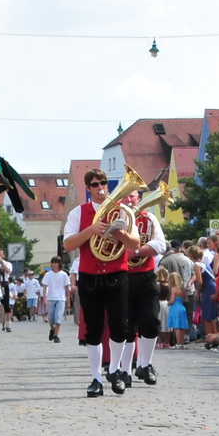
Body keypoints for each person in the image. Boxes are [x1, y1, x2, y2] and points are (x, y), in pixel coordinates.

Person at [63, 168, 138, 396]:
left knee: (120, 326)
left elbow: (134, 243)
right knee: (93, 329)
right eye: (95, 184)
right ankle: (96, 378)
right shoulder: (79, 212)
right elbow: (68, 245)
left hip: (117, 274)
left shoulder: (123, 211)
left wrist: (121, 236)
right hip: (90, 276)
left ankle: (114, 370)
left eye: (103, 183)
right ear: (88, 188)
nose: (100, 188)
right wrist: (91, 230)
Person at [125, 191, 166, 381]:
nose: (129, 200)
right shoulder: (112, 219)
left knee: (150, 322)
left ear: (138, 199)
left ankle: (144, 365)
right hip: (121, 277)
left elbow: (159, 245)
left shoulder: (148, 218)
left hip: (146, 276)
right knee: (125, 326)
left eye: (132, 196)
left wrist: (135, 251)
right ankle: (124, 370)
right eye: (125, 196)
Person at [41, 255, 71, 342]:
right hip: (51, 298)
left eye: (56, 263)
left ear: (59, 264)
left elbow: (66, 288)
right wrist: (44, 297)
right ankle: (52, 329)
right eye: (53, 263)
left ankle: (56, 335)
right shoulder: (48, 274)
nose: (54, 265)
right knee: (51, 318)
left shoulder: (64, 274)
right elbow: (45, 286)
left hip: (61, 298)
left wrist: (68, 300)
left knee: (58, 317)